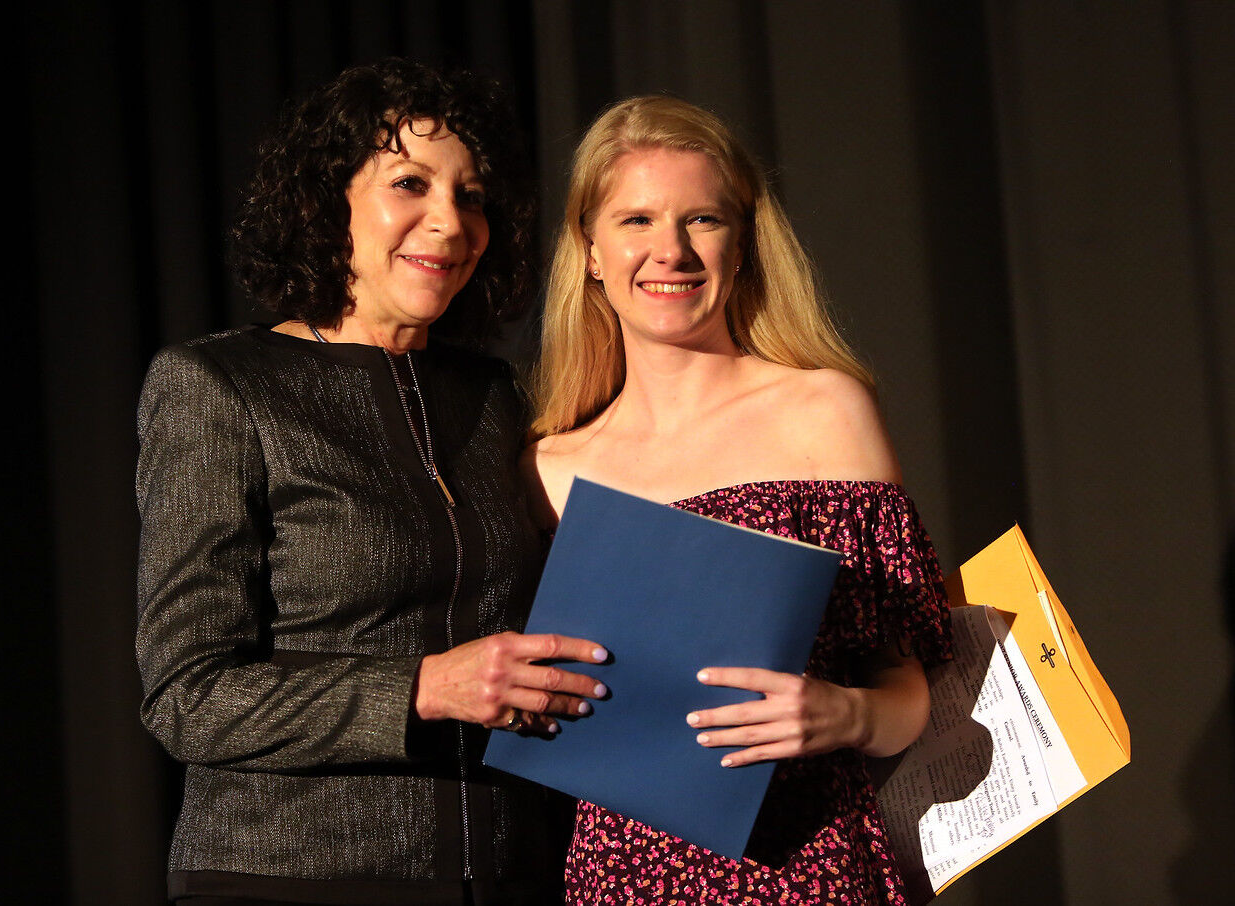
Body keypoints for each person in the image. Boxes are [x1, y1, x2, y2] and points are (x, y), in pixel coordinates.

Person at [135, 59, 608, 906]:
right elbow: (188, 697)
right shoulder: (222, 387)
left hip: (511, 873)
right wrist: (426, 688)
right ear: (326, 204)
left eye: (470, 196)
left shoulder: (499, 399)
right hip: (292, 877)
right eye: (409, 184)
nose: (450, 223)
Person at [524, 95, 952, 905]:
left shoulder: (823, 410)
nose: (670, 251)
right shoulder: (545, 469)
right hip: (616, 880)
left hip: (808, 868)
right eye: (636, 220)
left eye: (703, 220)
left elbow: (910, 686)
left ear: (743, 242)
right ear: (588, 251)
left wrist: (845, 717)